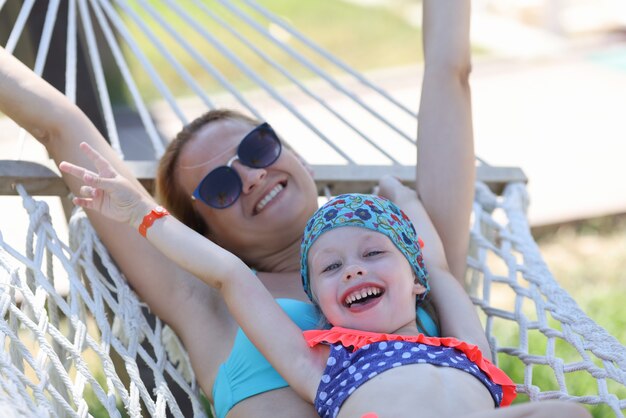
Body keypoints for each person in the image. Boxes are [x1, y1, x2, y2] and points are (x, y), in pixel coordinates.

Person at [0, 1, 489, 416]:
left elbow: (452, 71)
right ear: (205, 236)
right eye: (219, 187)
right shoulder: (205, 300)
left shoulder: (406, 256)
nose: (252, 175)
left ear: (295, 155)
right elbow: (57, 123)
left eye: (258, 149)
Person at [57, 150, 590, 418]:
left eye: (374, 253)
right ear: (320, 303)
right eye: (331, 268)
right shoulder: (325, 366)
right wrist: (142, 215)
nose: (353, 269)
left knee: (567, 410)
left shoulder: (468, 351)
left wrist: (401, 198)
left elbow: (439, 263)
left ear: (415, 278)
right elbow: (229, 274)